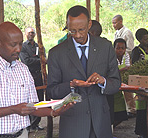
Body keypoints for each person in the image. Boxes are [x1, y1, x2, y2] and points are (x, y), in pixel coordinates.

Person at [0, 21, 73, 138]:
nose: (18, 49)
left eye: (20, 44)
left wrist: (53, 112)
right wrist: (13, 109)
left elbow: (32, 106)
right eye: (13, 45)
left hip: (21, 134)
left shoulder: (22, 69)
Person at [47, 5, 121, 138]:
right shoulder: (56, 53)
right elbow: (52, 90)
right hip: (72, 125)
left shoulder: (105, 47)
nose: (78, 35)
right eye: (72, 31)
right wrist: (71, 85)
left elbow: (116, 83)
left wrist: (103, 81)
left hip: (101, 124)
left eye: (81, 30)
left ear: (89, 24)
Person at [131, 28, 148, 138]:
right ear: (139, 40)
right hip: (142, 83)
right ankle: (143, 132)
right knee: (143, 108)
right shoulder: (136, 51)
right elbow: (135, 66)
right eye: (145, 39)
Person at [19, 27, 45, 131]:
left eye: (33, 33)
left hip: (39, 76)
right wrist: (40, 60)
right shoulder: (23, 47)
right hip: (29, 76)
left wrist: (40, 60)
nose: (31, 34)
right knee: (29, 100)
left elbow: (44, 57)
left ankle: (35, 123)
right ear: (25, 34)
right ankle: (29, 125)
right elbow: (26, 61)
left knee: (39, 99)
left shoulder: (38, 46)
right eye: (29, 33)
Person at [112, 15, 136, 116]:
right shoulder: (116, 33)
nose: (113, 25)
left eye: (115, 23)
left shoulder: (127, 33)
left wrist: (124, 54)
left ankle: (132, 109)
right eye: (112, 23)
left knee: (128, 91)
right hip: (118, 70)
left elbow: (130, 49)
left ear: (121, 22)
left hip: (125, 67)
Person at [113, 38, 129, 128]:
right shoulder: (111, 58)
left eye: (122, 48)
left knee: (121, 115)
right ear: (114, 48)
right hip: (113, 87)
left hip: (122, 86)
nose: (120, 50)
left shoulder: (126, 56)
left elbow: (129, 67)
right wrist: (122, 69)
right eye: (118, 48)